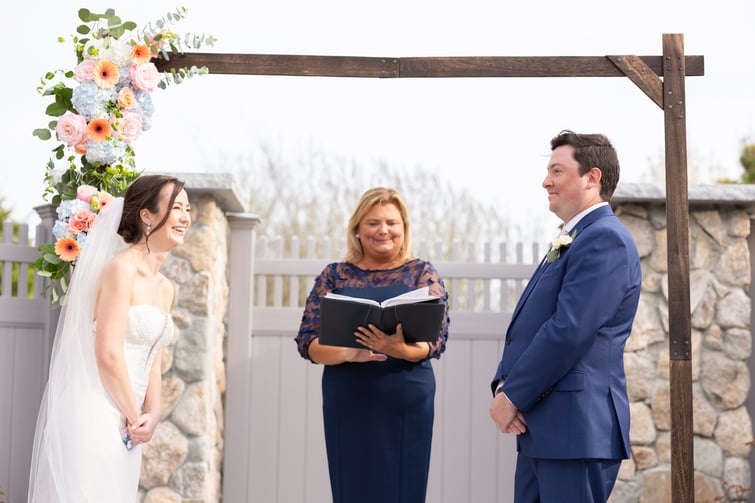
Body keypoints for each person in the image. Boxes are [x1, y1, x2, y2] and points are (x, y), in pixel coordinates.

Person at [489, 131, 642, 502]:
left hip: (575, 430)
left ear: (592, 178)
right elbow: (530, 327)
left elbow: (570, 329)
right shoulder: (575, 236)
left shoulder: (604, 238)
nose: (546, 181)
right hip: (546, 429)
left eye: (557, 171)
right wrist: (502, 384)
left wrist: (512, 396)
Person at [28, 175, 191, 502]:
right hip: (96, 407)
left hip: (130, 422)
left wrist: (153, 412)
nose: (186, 217)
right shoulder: (121, 269)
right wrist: (134, 416)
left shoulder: (165, 287)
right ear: (147, 216)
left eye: (188, 208)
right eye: (176, 208)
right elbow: (108, 354)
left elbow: (154, 356)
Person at [295, 187, 450, 503]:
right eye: (373, 222)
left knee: (403, 487)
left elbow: (435, 340)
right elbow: (307, 342)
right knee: (351, 485)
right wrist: (351, 352)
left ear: (403, 228)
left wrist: (399, 349)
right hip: (348, 395)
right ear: (357, 229)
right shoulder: (335, 275)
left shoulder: (422, 272)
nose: (383, 230)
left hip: (407, 395)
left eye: (392, 222)